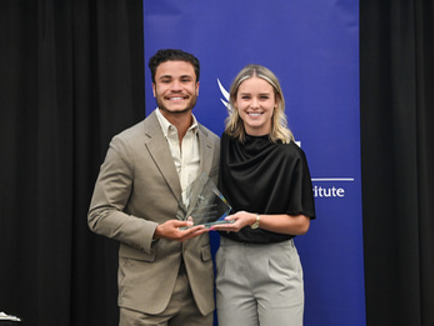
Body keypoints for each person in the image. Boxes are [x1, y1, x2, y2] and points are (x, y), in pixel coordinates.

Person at [88, 49, 219, 326]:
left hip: (199, 293)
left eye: (185, 80)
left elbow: (211, 205)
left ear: (197, 87)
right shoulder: (127, 144)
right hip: (145, 292)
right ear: (154, 88)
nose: (176, 88)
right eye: (166, 80)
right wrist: (157, 231)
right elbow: (99, 215)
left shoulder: (214, 144)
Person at [211, 64, 316, 326]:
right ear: (235, 101)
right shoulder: (223, 145)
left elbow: (301, 224)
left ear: (276, 101)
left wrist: (253, 219)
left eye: (263, 97)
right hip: (230, 262)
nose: (254, 105)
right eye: (246, 97)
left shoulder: (291, 155)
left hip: (276, 265)